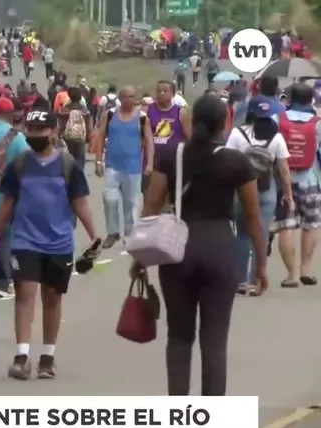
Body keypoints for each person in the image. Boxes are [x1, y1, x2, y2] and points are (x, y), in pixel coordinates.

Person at [136, 94, 267, 396]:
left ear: (192, 123)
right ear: (225, 123)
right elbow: (253, 217)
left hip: (178, 250)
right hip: (220, 247)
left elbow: (152, 205)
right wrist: (260, 264)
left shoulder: (173, 158)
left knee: (179, 337)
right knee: (214, 340)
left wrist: (140, 256)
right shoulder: (237, 162)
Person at [0, 110, 99, 380]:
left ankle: (47, 358)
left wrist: (93, 235)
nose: (35, 135)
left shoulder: (68, 166)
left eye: (41, 129)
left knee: (52, 299)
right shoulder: (18, 165)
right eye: (30, 129)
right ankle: (21, 357)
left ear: (54, 132)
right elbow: (6, 205)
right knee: (24, 295)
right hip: (25, 240)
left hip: (59, 243)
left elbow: (80, 203)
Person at [225, 98, 293, 294]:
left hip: (241, 189)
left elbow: (227, 160)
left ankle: (240, 280)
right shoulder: (277, 138)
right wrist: (288, 194)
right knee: (260, 235)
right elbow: (284, 169)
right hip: (266, 189)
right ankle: (257, 279)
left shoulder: (238, 134)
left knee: (243, 234)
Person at [273, 83, 321, 287]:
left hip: (284, 182)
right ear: (311, 99)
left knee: (287, 226)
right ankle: (306, 269)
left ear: (290, 98)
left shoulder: (278, 119)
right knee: (311, 225)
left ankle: (291, 274)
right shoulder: (317, 122)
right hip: (311, 180)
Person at [95, 86, 154, 249]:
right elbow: (100, 136)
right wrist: (98, 161)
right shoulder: (110, 115)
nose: (130, 99)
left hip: (133, 168)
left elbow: (149, 142)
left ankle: (130, 234)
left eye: (132, 96)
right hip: (112, 166)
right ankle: (113, 232)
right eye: (126, 96)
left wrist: (149, 163)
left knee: (131, 204)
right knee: (109, 199)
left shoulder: (142, 118)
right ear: (120, 98)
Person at [0, 97, 29, 298]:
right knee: (4, 236)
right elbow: (29, 161)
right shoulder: (15, 137)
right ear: (10, 114)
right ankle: (2, 282)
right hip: (6, 194)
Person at [147, 81, 191, 191]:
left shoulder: (181, 112)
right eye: (158, 91)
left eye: (165, 90)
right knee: (150, 196)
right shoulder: (147, 110)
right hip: (152, 162)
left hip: (174, 163)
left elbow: (190, 137)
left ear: (172, 94)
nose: (161, 93)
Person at [58, 87, 92, 171]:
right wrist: (89, 137)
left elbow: (61, 124)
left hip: (68, 136)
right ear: (80, 97)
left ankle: (70, 173)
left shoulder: (65, 109)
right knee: (80, 157)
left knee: (71, 155)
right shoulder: (84, 110)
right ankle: (78, 174)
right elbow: (89, 126)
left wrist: (59, 134)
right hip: (80, 136)